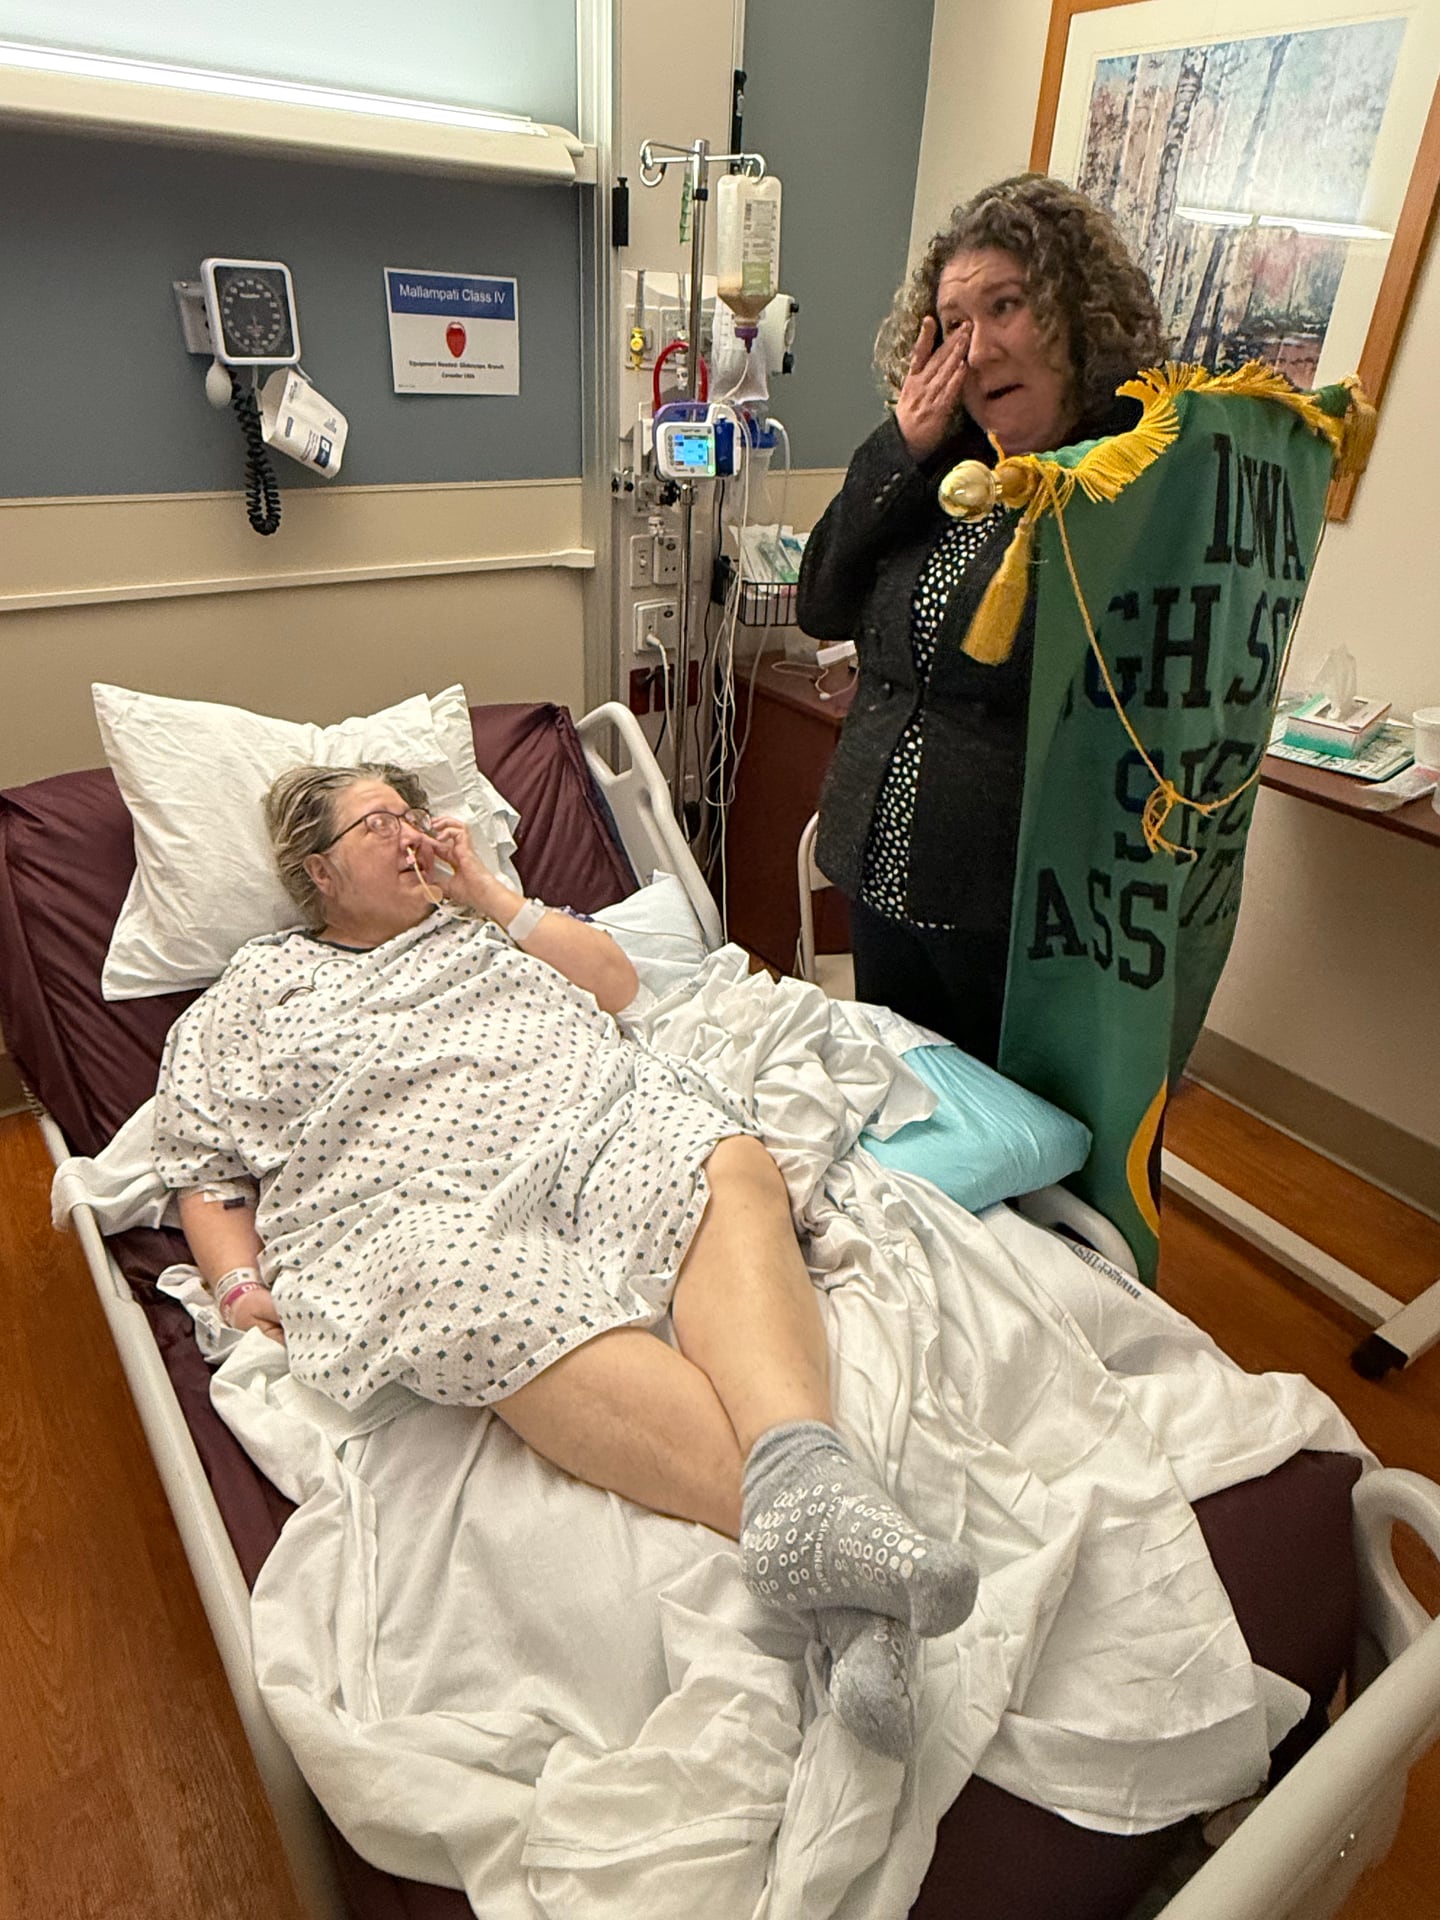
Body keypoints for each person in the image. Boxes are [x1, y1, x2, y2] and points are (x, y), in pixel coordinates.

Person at [151, 761, 978, 1757]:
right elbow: (205, 1163)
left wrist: (491, 895)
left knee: (727, 1160)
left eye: (418, 814)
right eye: (382, 823)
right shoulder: (258, 987)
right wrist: (238, 1286)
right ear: (318, 870)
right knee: (460, 1282)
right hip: (413, 1193)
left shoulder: (482, 927)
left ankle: (817, 1517)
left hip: (590, 1120)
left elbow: (621, 985)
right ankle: (849, 1577)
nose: (414, 834)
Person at [798, 173, 1165, 1065]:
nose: (979, 347)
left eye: (1006, 306)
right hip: (883, 871)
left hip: (1012, 908)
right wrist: (900, 446)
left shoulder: (1126, 480)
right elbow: (820, 602)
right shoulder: (938, 466)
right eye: (954, 324)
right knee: (917, 1119)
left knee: (1019, 1152)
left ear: (1078, 317)